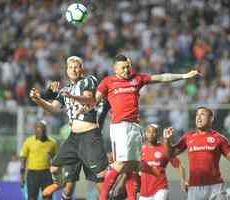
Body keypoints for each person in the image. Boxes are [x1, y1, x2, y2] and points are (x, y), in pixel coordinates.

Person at [70, 54, 199, 200]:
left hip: (135, 127)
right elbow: (95, 100)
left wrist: (184, 76)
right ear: (115, 68)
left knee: (133, 165)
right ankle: (104, 197)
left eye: (128, 66)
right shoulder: (108, 82)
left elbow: (162, 77)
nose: (126, 70)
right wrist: (84, 108)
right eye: (123, 67)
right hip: (120, 127)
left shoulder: (137, 78)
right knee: (121, 163)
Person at [29, 56, 109, 200]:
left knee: (100, 179)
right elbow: (53, 108)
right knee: (54, 168)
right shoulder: (65, 90)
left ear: (81, 69)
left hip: (89, 135)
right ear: (66, 70)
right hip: (73, 138)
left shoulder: (88, 80)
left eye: (76, 66)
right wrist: (38, 100)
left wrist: (72, 96)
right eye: (70, 67)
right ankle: (58, 183)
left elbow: (89, 99)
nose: (73, 69)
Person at [169, 107, 230, 200]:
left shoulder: (219, 138)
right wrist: (167, 141)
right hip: (194, 188)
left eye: (202, 114)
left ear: (211, 118)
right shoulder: (188, 137)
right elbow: (171, 153)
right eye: (197, 114)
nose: (198, 117)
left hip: (216, 187)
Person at [140, 124, 187, 200]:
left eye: (154, 132)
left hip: (161, 188)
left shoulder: (165, 148)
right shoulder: (140, 150)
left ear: (158, 134)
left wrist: (183, 180)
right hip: (144, 192)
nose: (151, 135)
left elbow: (178, 165)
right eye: (148, 132)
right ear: (145, 133)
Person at [20, 120, 58, 200]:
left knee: (47, 197)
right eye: (37, 130)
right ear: (34, 131)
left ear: (45, 130)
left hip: (47, 173)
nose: (40, 133)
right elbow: (23, 158)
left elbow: (57, 160)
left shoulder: (52, 143)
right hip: (32, 173)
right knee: (32, 197)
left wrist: (57, 175)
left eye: (42, 130)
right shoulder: (29, 141)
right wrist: (22, 176)